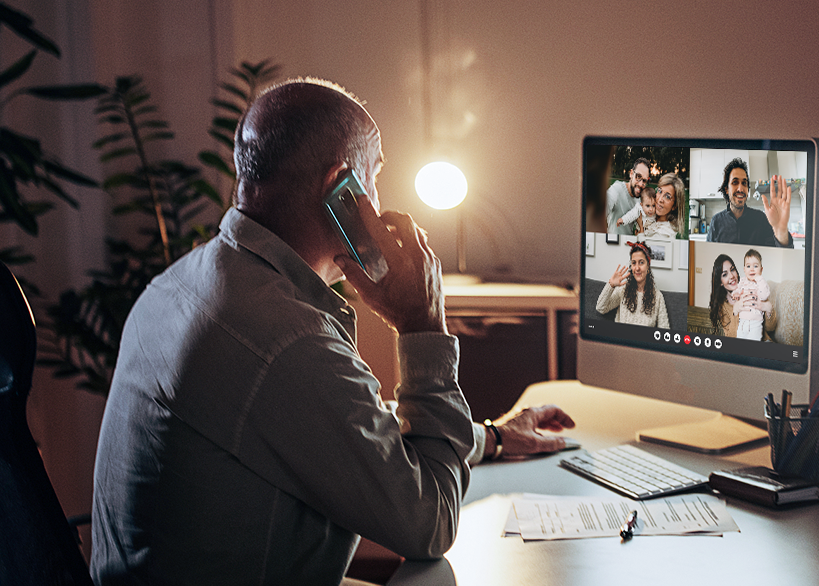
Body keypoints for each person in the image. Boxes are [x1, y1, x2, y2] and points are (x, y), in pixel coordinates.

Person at [91, 78, 575, 586]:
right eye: (376, 177)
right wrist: (421, 324)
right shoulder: (285, 340)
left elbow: (348, 429)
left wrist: (492, 438)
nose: (380, 199)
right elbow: (431, 522)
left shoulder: (183, 283)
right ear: (342, 187)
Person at [705, 157, 792, 248]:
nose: (740, 189)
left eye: (744, 183)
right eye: (735, 182)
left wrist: (781, 231)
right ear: (726, 189)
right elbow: (709, 255)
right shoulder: (716, 221)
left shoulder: (761, 219)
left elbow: (777, 255)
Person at [595, 242, 670, 328]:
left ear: (648, 266)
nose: (637, 268)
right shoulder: (623, 290)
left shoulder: (658, 297)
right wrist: (611, 285)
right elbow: (600, 308)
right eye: (634, 263)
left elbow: (665, 330)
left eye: (641, 262)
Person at [707, 253, 774, 339]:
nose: (731, 276)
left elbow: (771, 328)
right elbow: (731, 336)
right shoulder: (723, 306)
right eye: (725, 274)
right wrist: (736, 310)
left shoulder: (754, 288)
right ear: (720, 282)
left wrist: (768, 309)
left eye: (732, 270)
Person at [730, 249, 770, 341]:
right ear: (744, 270)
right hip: (742, 322)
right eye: (748, 266)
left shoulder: (761, 283)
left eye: (755, 266)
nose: (752, 269)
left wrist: (759, 279)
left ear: (761, 269)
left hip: (755, 322)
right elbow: (737, 290)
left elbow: (764, 296)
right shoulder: (743, 281)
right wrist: (735, 294)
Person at [606, 157, 651, 236]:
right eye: (638, 176)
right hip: (612, 243)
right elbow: (604, 207)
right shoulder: (616, 189)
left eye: (644, 180)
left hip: (628, 244)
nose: (641, 184)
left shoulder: (641, 200)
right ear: (631, 174)